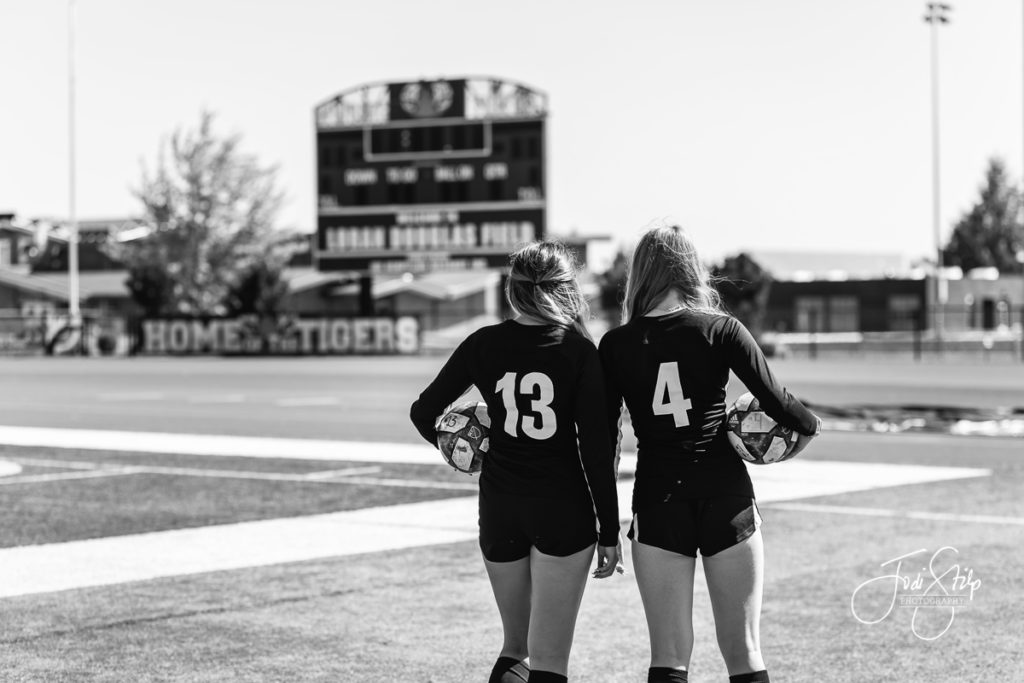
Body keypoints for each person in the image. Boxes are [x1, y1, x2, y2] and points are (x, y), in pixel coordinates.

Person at [598, 223, 821, 683]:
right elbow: (779, 401)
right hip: (726, 497)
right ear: (691, 269)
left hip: (658, 503)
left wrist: (606, 529)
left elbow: (605, 446)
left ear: (640, 275)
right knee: (744, 651)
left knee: (669, 657)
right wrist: (810, 426)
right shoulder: (722, 329)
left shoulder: (616, 344)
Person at [410, 241, 622, 683]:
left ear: (513, 290)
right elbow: (596, 452)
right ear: (567, 290)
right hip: (563, 508)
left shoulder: (483, 343)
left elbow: (422, 411)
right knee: (548, 661)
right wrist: (609, 530)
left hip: (501, 505)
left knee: (515, 649)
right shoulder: (580, 351)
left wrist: (460, 451)